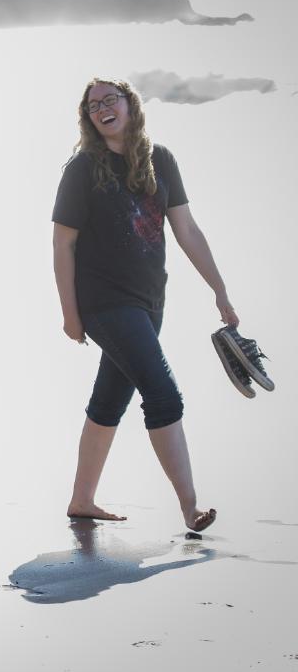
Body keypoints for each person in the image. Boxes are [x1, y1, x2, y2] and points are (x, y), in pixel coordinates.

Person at [53, 77, 234, 532]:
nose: (102, 108)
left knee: (109, 399)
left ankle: (82, 500)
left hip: (150, 302)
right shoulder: (81, 170)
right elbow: (62, 245)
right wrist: (70, 314)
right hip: (104, 302)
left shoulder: (161, 161)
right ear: (88, 118)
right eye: (93, 105)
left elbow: (187, 229)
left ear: (130, 105)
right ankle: (190, 507)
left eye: (110, 99)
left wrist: (220, 289)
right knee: (163, 393)